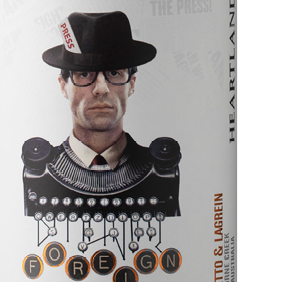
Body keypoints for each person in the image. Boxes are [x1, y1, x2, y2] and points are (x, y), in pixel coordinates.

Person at [22, 11, 181, 216]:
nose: (101, 89)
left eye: (114, 73)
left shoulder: (160, 171)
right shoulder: (39, 173)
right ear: (63, 86)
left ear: (132, 84)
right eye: (84, 74)